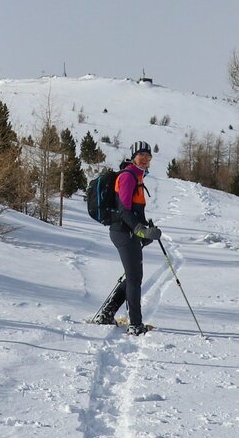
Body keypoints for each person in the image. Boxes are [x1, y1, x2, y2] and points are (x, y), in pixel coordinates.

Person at [90, 141, 162, 335]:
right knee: (134, 278)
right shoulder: (128, 177)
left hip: (128, 231)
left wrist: (146, 230)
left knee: (132, 276)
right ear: (133, 156)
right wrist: (140, 230)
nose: (145, 159)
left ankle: (106, 314)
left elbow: (136, 211)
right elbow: (123, 210)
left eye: (148, 156)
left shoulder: (138, 177)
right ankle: (136, 325)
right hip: (123, 231)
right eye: (141, 155)